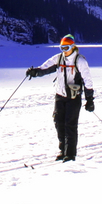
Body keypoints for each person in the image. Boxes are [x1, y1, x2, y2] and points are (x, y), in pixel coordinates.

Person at [26, 34, 95, 162]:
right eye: (61, 47)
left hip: (73, 98)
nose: (64, 50)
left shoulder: (80, 61)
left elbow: (87, 80)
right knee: (58, 122)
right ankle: (62, 150)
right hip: (60, 95)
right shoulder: (58, 59)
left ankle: (70, 154)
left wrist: (89, 99)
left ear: (73, 46)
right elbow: (45, 68)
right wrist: (34, 72)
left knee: (70, 124)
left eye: (66, 47)